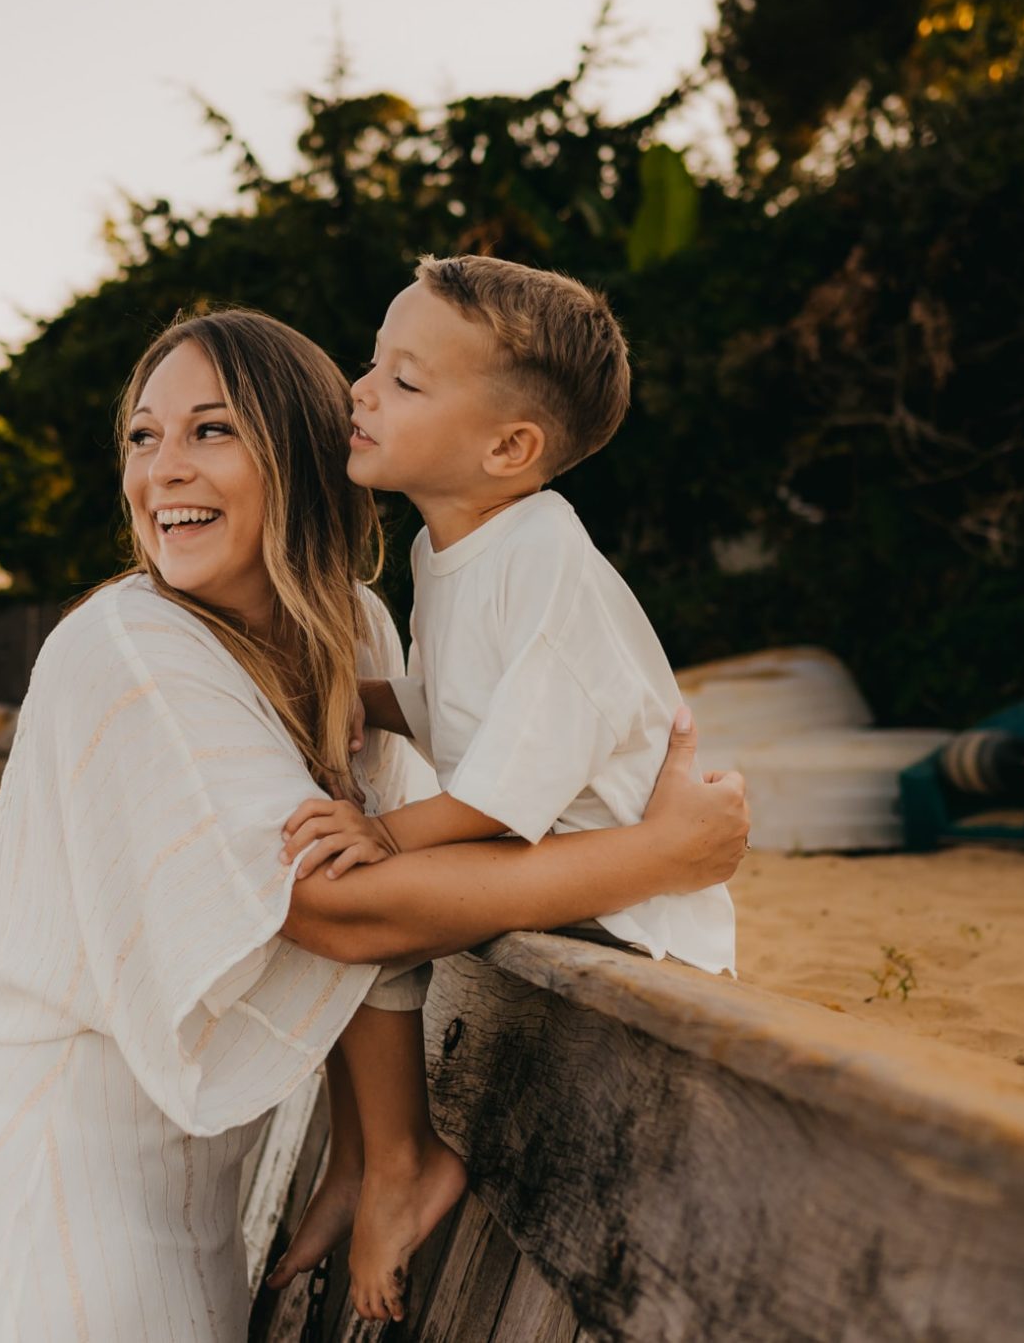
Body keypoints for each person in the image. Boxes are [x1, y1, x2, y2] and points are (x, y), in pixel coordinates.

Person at [0, 308, 747, 1341]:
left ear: (297, 444)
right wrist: (656, 855)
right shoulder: (127, 647)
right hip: (37, 1196)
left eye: (211, 430)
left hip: (189, 1208)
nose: (164, 471)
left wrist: (369, 1151)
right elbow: (337, 912)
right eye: (144, 437)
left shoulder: (353, 627)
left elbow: (379, 874)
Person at [264, 256, 738, 1321]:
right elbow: (458, 713)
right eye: (372, 364)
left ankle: (400, 1162)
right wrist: (375, 704)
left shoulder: (546, 558)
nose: (362, 391)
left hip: (625, 904)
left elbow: (500, 791)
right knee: (340, 903)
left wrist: (383, 834)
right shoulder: (457, 549)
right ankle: (366, 1155)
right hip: (547, 867)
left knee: (356, 897)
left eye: (406, 379)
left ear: (510, 448)